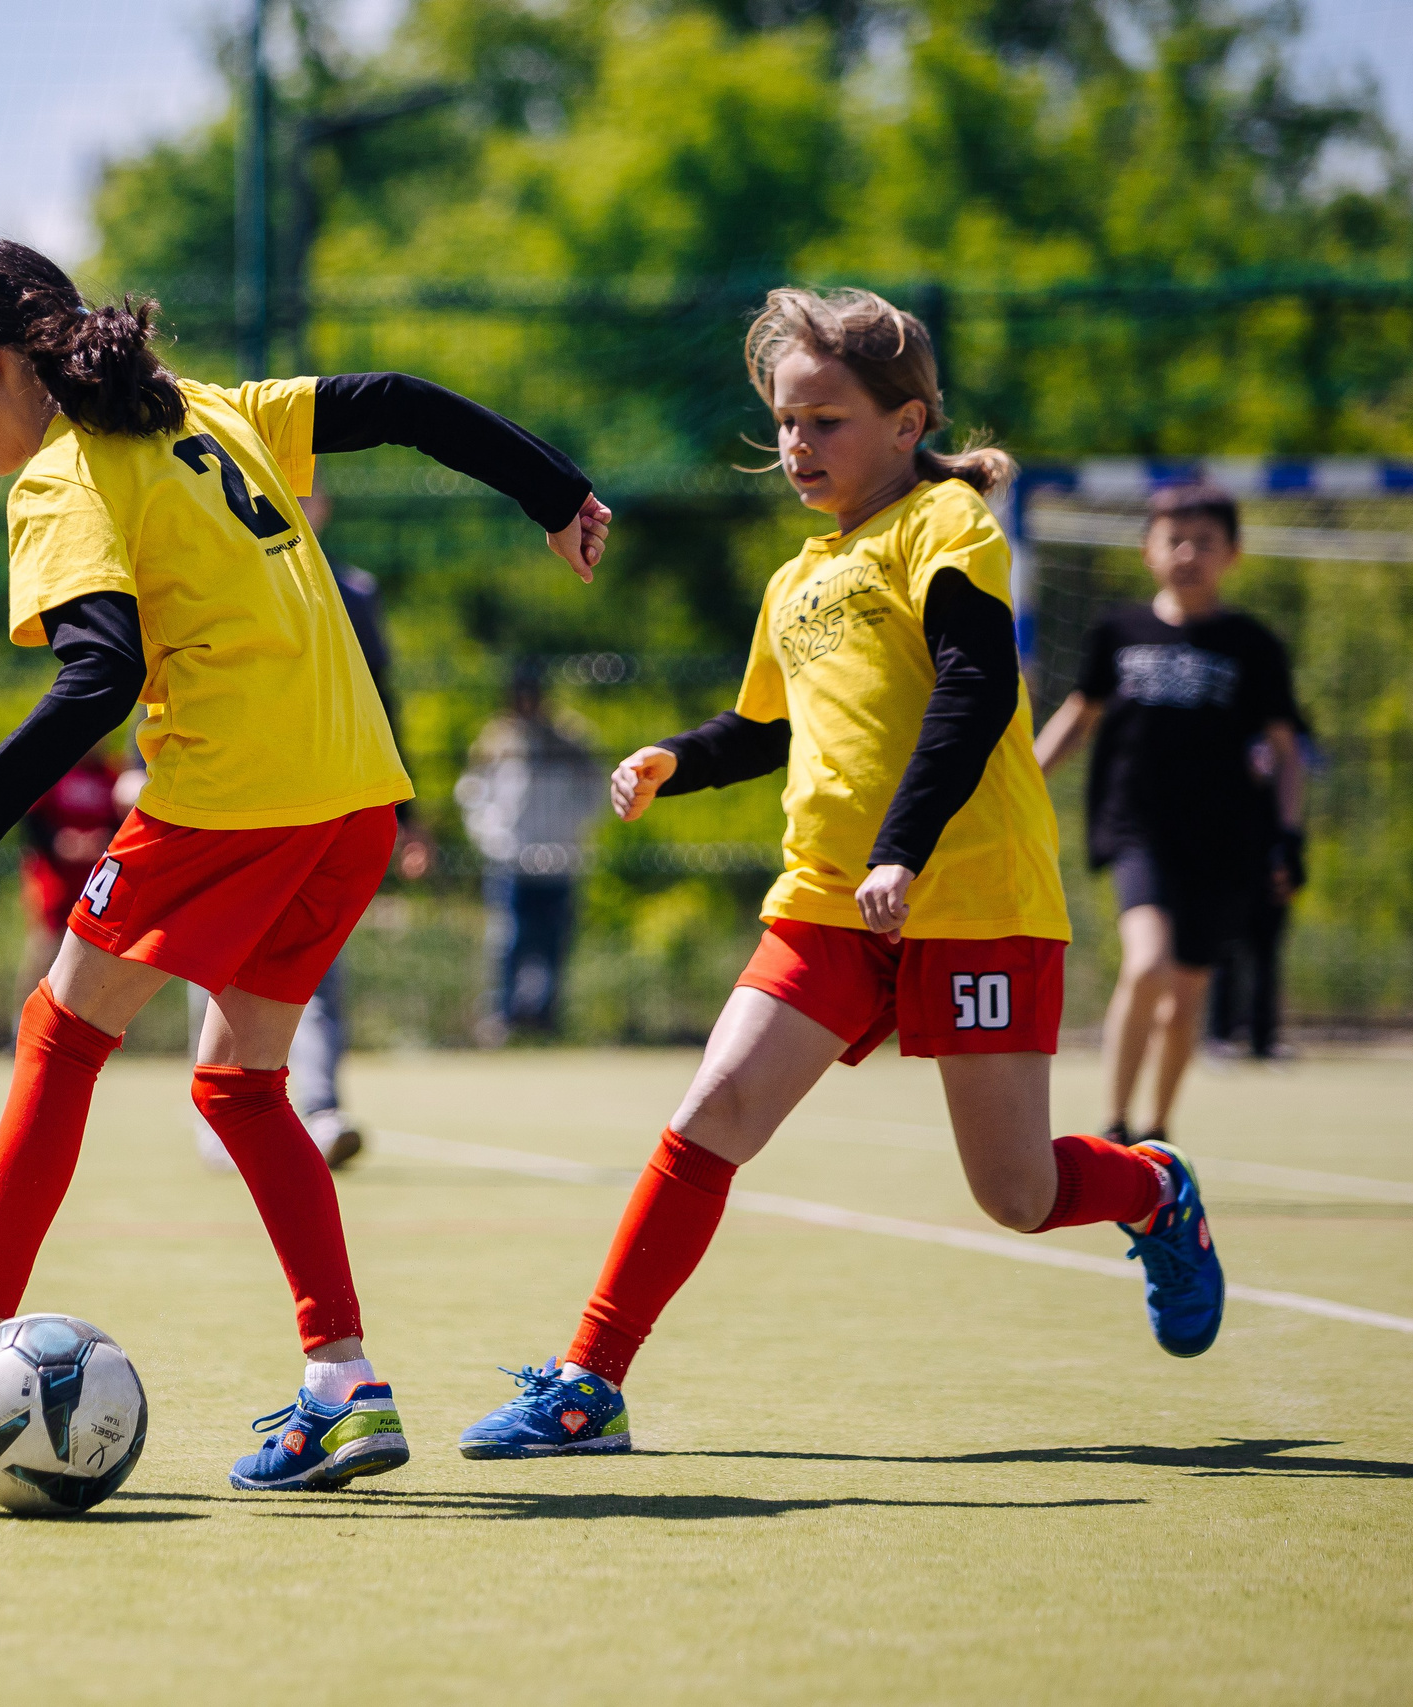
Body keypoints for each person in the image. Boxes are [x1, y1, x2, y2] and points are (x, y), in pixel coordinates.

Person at [0, 238, 608, 1493]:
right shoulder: (205, 410)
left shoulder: (62, 477)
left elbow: (98, 669)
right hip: (353, 799)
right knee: (238, 1082)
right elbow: (396, 400)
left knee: (62, 1032)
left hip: (230, 797)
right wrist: (553, 491)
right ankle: (344, 1389)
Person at [458, 287, 1224, 1464]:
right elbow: (765, 726)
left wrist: (903, 848)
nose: (796, 446)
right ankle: (585, 1384)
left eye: (826, 422)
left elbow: (975, 692)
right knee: (712, 1111)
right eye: (784, 423)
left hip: (968, 898)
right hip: (825, 897)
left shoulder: (948, 526)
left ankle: (1149, 1190)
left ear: (908, 421)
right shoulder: (796, 578)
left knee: (1013, 1195)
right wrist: (678, 755)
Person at [1036, 484, 1308, 1135]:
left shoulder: (1252, 644)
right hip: (1137, 829)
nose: (1188, 554)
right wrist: (1019, 780)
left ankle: (1157, 1131)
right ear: (1148, 549)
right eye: (1175, 540)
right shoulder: (1118, 631)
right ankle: (1114, 1120)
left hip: (1222, 840)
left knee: (1184, 995)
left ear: (1232, 554)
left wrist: (1289, 836)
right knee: (1146, 963)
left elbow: (1286, 751)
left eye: (1205, 542)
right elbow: (1079, 716)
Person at [187, 479, 425, 1171]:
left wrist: (407, 813)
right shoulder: (217, 574)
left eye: (311, 491)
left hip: (325, 801)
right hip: (232, 797)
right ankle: (217, 1107)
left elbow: (381, 704)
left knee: (317, 965)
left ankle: (318, 1106)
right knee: (212, 957)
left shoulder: (355, 592)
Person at [455, 660, 603, 1043]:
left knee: (553, 941)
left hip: (559, 858)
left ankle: (544, 1019)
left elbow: (594, 791)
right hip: (511, 860)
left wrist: (573, 833)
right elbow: (472, 794)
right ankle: (502, 1018)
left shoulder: (569, 736)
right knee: (509, 940)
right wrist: (494, 839)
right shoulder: (495, 739)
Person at [1208, 731, 1307, 1060]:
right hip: (1227, 867)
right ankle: (1219, 1035)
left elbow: (1294, 809)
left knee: (1267, 952)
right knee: (1224, 952)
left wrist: (1289, 859)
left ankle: (1263, 1039)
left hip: (1270, 867)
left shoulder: (1287, 741)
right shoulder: (1223, 728)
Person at [14, 743, 126, 1016]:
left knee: (100, 957)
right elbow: (32, 822)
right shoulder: (54, 768)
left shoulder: (109, 774)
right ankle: (24, 1021)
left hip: (99, 879)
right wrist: (59, 843)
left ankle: (92, 1025)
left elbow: (124, 821)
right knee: (46, 948)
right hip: (55, 878)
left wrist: (103, 841)